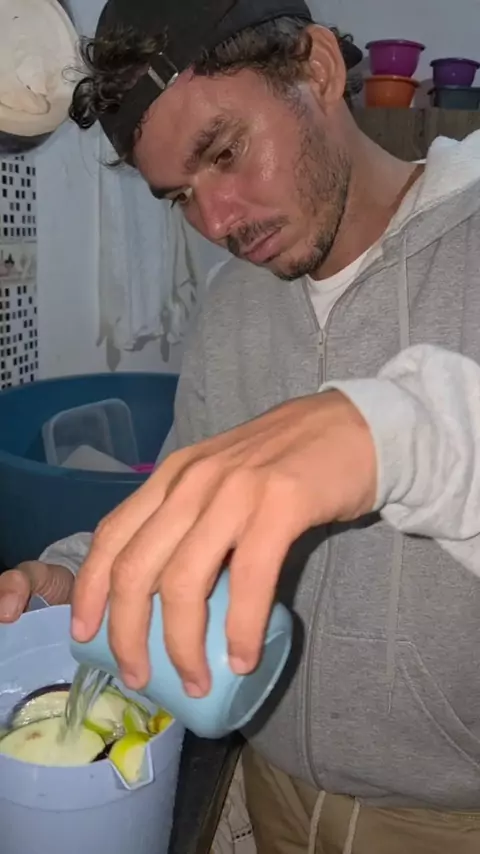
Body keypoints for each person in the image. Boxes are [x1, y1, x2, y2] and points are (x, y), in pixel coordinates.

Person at [3, 0, 480, 850]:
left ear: (316, 70)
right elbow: (184, 505)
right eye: (181, 196)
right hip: (272, 784)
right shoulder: (231, 310)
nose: (218, 222)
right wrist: (78, 579)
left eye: (224, 152)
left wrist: (390, 432)